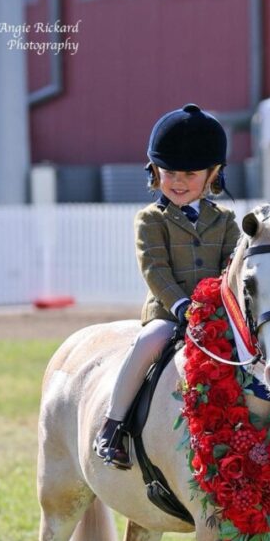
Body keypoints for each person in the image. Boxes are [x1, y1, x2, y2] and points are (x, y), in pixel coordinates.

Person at [94, 104, 240, 468]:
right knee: (148, 342)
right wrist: (181, 307)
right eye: (169, 171)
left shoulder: (225, 221)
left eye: (189, 173)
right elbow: (154, 269)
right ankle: (113, 426)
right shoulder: (150, 219)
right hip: (169, 313)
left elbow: (234, 267)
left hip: (219, 313)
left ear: (213, 174)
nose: (176, 181)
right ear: (155, 171)